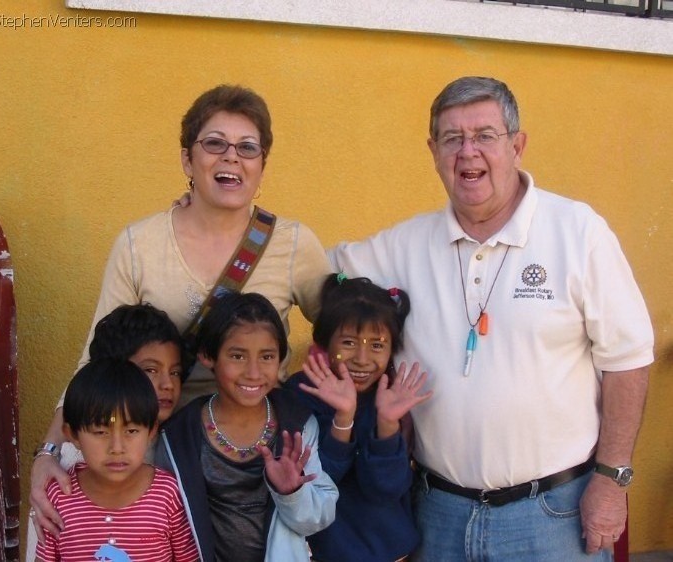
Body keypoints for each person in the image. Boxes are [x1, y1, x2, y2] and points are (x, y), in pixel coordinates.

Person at [329, 76, 653, 560]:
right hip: (438, 514)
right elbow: (318, 275)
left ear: (517, 145)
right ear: (433, 151)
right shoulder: (405, 245)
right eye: (452, 138)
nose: (468, 152)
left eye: (485, 135)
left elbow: (627, 361)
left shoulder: (577, 232)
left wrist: (612, 481)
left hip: (553, 515)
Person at [31, 84, 331, 539]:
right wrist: (49, 452)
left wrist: (356, 423)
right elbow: (95, 362)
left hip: (254, 454)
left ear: (261, 166)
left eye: (248, 148)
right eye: (214, 143)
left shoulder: (294, 244)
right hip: (156, 446)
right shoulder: (139, 244)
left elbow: (339, 333)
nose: (232, 157)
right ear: (188, 160)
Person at [155, 292, 338, 562]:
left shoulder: (295, 425)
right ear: (208, 355)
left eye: (267, 357)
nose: (253, 372)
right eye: (238, 356)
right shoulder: (180, 436)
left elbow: (317, 518)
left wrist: (292, 493)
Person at [284, 274, 432, 562]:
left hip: (390, 553)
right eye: (349, 342)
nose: (362, 359)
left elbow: (386, 489)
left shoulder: (391, 397)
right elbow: (316, 484)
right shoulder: (300, 394)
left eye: (377, 345)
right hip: (326, 553)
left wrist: (388, 423)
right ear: (325, 342)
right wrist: (344, 416)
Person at [26, 303, 188, 560]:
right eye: (150, 370)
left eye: (175, 372)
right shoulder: (64, 479)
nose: (167, 384)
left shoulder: (174, 475)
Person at [35, 358, 199, 562]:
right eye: (100, 431)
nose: (117, 448)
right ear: (73, 435)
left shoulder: (169, 495)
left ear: (150, 431)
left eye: (131, 431)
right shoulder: (59, 496)